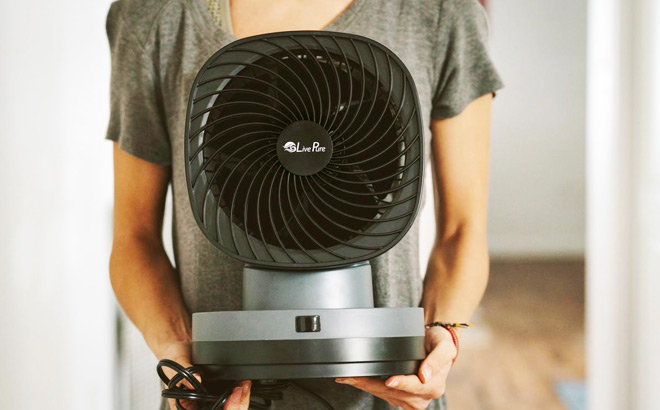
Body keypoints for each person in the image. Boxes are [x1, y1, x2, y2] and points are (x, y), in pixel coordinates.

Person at [106, 0, 503, 409]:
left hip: (391, 399)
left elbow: (462, 231)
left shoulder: (439, 13)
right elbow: (135, 237)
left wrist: (444, 332)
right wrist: (178, 351)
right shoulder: (155, 16)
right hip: (220, 399)